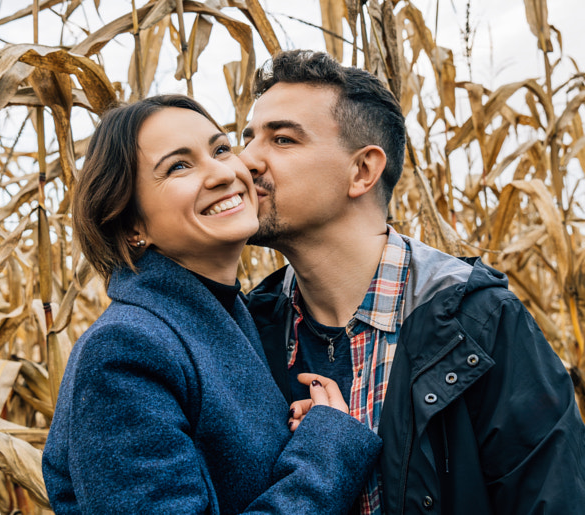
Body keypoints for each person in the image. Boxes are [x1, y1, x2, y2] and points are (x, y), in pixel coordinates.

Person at [241, 50, 585, 514]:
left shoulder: (478, 324)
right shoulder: (250, 332)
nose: (244, 161)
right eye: (247, 138)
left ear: (362, 171)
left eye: (283, 140)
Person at [42, 94, 381, 515]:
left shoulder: (233, 319)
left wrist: (304, 436)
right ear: (132, 225)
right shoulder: (124, 351)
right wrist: (327, 453)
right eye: (179, 166)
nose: (223, 173)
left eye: (221, 149)